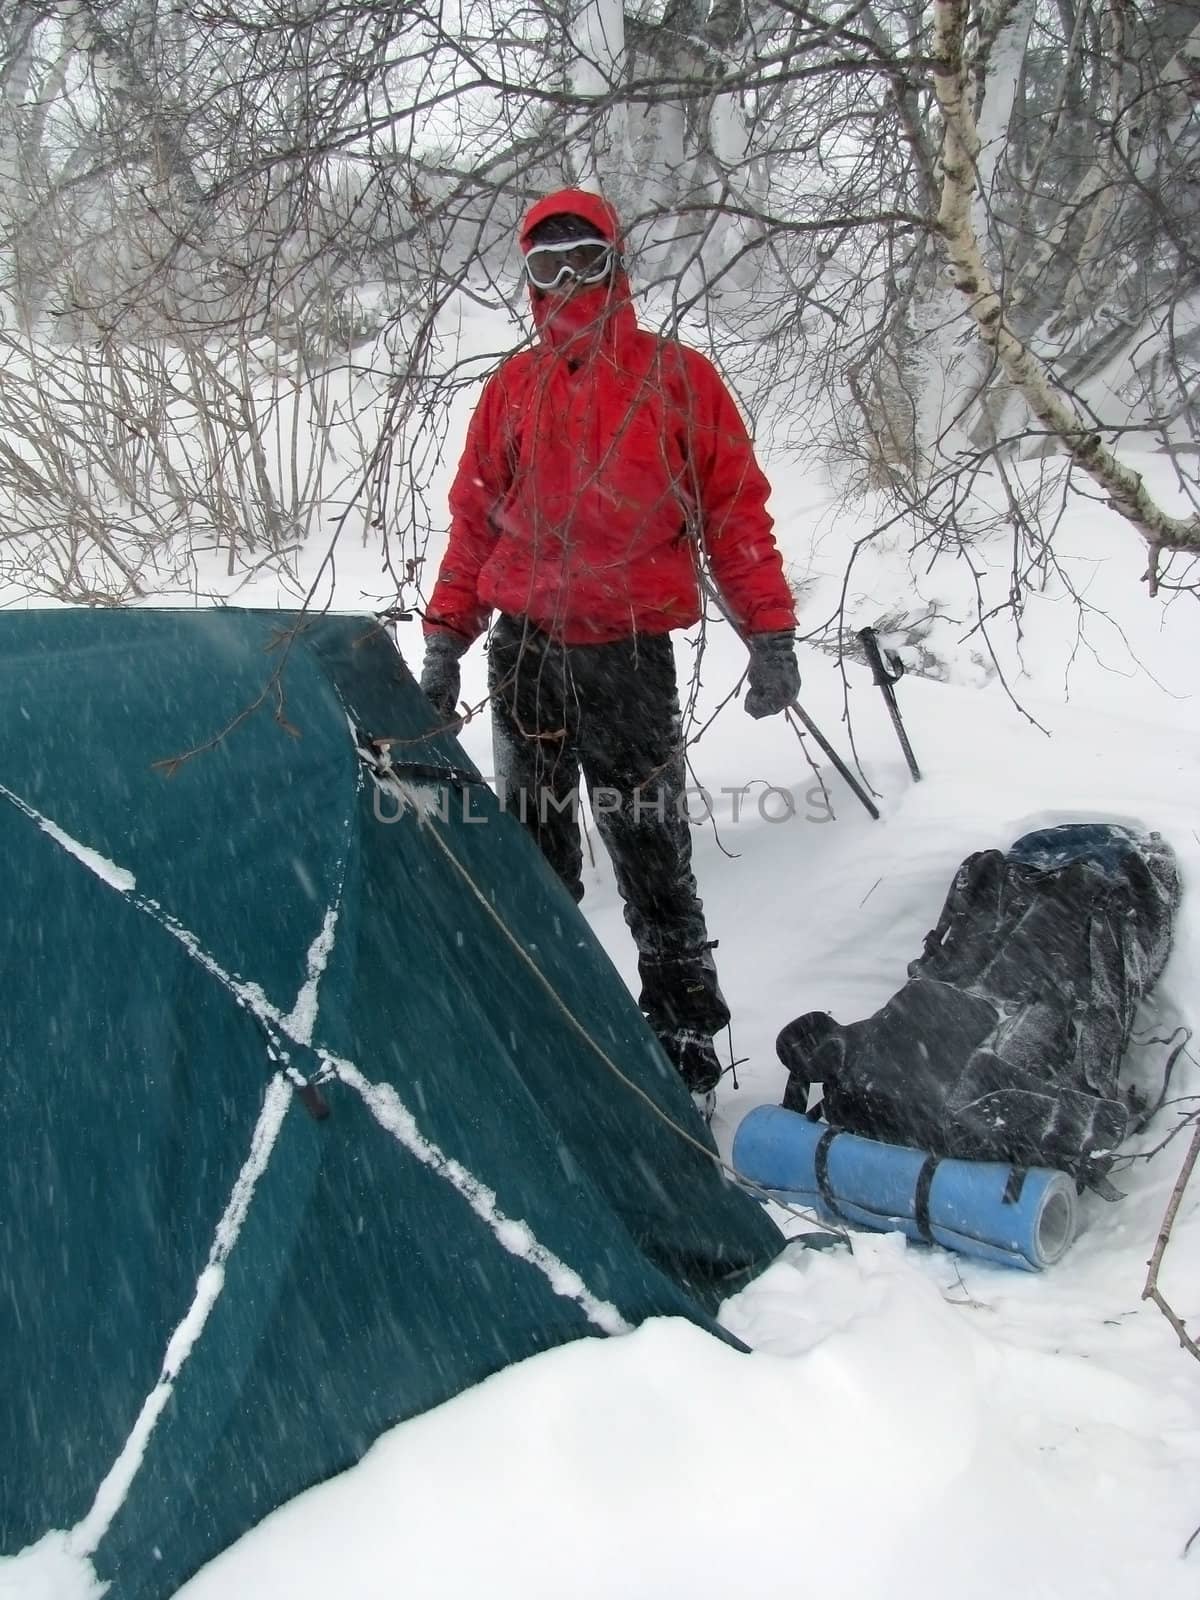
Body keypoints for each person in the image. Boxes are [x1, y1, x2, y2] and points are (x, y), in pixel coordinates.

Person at [419, 187, 799, 1100]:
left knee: (651, 848)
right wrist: (445, 642)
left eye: (582, 259)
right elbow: (474, 523)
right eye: (545, 265)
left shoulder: (677, 378)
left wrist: (770, 630)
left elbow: (735, 512)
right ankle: (552, 1023)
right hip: (529, 657)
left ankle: (684, 1042)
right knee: (536, 854)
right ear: (527, 280)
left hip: (631, 654)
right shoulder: (513, 388)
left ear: (615, 265)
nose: (566, 281)